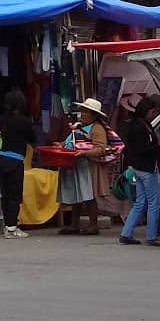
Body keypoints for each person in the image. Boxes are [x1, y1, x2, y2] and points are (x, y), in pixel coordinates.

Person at [118, 95, 160, 247]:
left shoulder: (136, 124)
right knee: (153, 203)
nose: (154, 115)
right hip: (147, 168)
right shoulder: (141, 127)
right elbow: (143, 148)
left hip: (138, 168)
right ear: (147, 111)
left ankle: (126, 233)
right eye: (153, 112)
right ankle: (151, 236)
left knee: (140, 202)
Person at [58, 98, 109, 236]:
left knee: (89, 196)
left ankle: (93, 225)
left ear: (94, 115)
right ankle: (74, 224)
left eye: (86, 112)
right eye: (82, 111)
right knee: (77, 194)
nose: (83, 114)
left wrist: (85, 153)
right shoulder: (79, 127)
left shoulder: (97, 129)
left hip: (88, 166)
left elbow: (101, 148)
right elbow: (72, 141)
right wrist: (61, 145)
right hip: (76, 165)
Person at [0, 90, 36, 239]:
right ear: (21, 104)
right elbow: (33, 139)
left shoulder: (2, 120)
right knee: (15, 195)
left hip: (1, 160)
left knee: (5, 194)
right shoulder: (24, 121)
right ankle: (12, 228)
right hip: (15, 161)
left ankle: (7, 225)